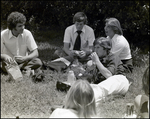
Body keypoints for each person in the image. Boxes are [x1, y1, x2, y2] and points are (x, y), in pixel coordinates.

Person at [85, 38, 132, 104]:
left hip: (118, 81)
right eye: (94, 47)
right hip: (104, 85)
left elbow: (109, 76)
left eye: (98, 47)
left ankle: (87, 100)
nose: (95, 50)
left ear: (105, 48)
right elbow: (92, 78)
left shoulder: (113, 57)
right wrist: (88, 69)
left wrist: (97, 62)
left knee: (99, 91)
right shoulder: (99, 58)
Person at [1, 11, 43, 80]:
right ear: (13, 27)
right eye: (20, 26)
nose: (23, 27)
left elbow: (36, 53)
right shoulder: (3, 35)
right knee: (4, 65)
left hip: (24, 61)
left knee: (38, 62)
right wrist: (5, 56)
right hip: (9, 62)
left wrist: (25, 58)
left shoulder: (27, 33)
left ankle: (19, 70)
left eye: (23, 25)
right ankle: (25, 70)